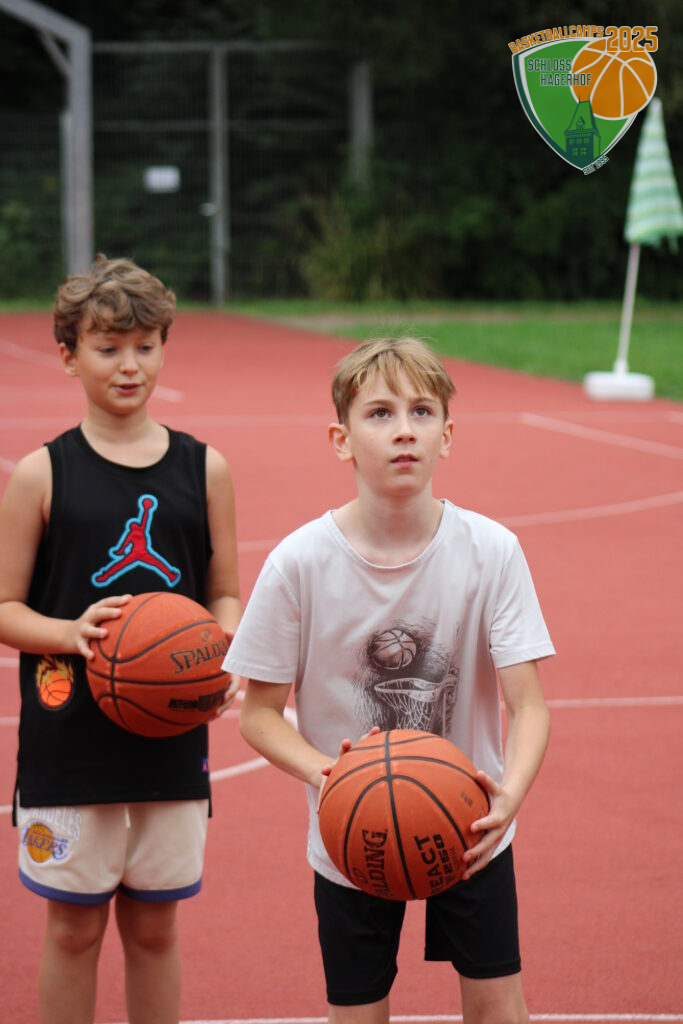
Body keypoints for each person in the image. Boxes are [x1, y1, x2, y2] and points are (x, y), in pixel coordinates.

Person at [226, 337, 554, 1024]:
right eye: (379, 413)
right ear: (341, 440)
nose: (404, 429)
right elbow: (257, 714)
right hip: (355, 832)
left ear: (447, 435)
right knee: (357, 1014)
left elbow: (528, 707)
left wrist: (510, 797)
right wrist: (326, 775)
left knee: (499, 1008)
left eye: (421, 411)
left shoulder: (492, 552)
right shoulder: (298, 563)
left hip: (469, 821)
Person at [0, 254, 242, 1024]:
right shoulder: (42, 474)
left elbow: (225, 594)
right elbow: (3, 606)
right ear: (69, 356)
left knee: (155, 927)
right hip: (69, 741)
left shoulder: (204, 468)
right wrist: (70, 632)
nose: (129, 364)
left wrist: (222, 651)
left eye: (145, 346)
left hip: (169, 737)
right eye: (108, 348)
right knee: (73, 930)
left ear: (164, 347)